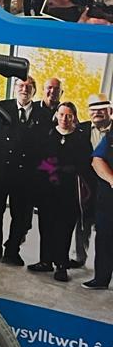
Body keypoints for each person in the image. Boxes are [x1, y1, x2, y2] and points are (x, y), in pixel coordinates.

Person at [0, 75, 49, 265]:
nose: (24, 89)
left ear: (34, 91)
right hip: (0, 171)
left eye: (28, 87)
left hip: (26, 177)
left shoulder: (43, 116)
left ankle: (12, 251)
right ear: (14, 88)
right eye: (21, 85)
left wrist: (39, 175)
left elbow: (44, 149)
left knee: (20, 216)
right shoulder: (0, 107)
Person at [30, 102, 87, 281]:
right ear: (56, 115)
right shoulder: (47, 134)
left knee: (64, 229)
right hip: (47, 189)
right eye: (61, 114)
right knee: (46, 225)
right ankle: (45, 261)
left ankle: (61, 265)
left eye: (68, 115)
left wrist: (62, 169)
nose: (64, 118)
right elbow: (38, 158)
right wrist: (50, 169)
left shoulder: (80, 138)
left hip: (68, 192)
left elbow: (83, 164)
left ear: (74, 117)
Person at [75, 95, 113, 268]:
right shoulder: (80, 129)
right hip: (86, 184)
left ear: (109, 111)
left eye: (101, 108)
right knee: (83, 221)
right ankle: (79, 257)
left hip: (108, 186)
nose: (96, 112)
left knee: (106, 229)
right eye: (93, 108)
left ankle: (104, 268)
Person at [82, 121, 113, 292]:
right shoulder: (111, 137)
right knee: (104, 238)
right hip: (109, 199)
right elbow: (97, 160)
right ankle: (101, 278)